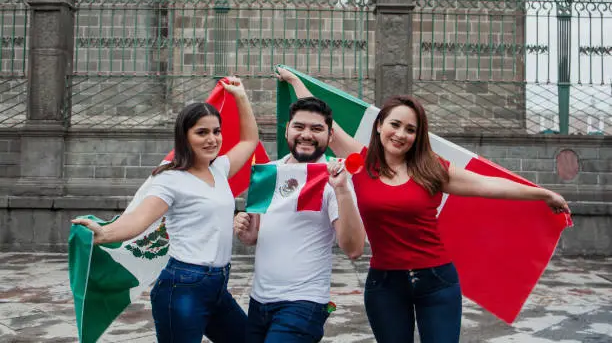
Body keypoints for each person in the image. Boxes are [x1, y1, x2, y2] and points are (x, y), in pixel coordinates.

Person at [276, 66, 570, 343]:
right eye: (395, 125)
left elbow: (487, 185)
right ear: (379, 126)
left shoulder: (432, 169)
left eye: (410, 129)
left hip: (437, 282)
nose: (401, 134)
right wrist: (295, 82)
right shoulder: (362, 163)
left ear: (418, 136)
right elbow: (326, 123)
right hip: (385, 285)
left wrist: (542, 194)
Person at [72, 77, 258, 343]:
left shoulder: (219, 168)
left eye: (216, 131)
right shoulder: (170, 179)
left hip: (217, 285)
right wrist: (103, 233)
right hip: (183, 288)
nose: (212, 139)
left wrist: (240, 96)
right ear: (185, 136)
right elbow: (139, 219)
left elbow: (249, 140)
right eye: (202, 132)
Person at [233, 96, 366, 343]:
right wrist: (243, 228)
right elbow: (253, 236)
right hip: (259, 302)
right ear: (287, 130)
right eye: (299, 126)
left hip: (303, 304)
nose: (306, 134)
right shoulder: (268, 172)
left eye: (316, 129)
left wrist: (342, 190)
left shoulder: (333, 178)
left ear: (330, 136)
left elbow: (355, 248)